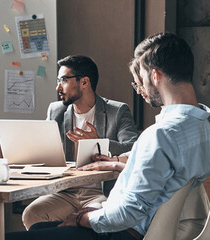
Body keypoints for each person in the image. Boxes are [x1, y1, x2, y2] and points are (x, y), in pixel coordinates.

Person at [6, 32, 210, 240]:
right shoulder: (203, 129)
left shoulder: (161, 134)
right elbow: (167, 179)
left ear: (155, 75)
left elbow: (127, 214)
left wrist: (83, 218)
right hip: (159, 230)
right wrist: (120, 164)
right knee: (39, 227)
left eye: (141, 78)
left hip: (124, 232)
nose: (139, 89)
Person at [21, 55, 140, 228]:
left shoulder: (117, 111)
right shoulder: (56, 111)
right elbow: (47, 149)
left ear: (84, 82)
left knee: (94, 218)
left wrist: (100, 142)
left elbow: (133, 148)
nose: (58, 87)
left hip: (100, 192)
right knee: (32, 214)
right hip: (66, 190)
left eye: (63, 80)